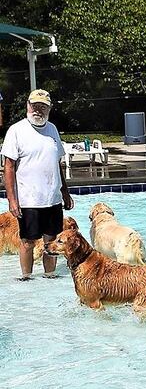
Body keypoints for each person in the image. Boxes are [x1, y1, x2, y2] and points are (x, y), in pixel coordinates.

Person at [1, 89, 74, 280]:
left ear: (49, 108)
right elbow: (8, 167)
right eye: (35, 106)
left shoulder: (53, 130)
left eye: (43, 106)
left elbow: (57, 163)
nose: (38, 110)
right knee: (27, 242)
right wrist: (12, 200)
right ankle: (27, 278)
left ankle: (50, 277)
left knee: (51, 241)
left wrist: (65, 192)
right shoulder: (16, 131)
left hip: (53, 198)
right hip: (28, 199)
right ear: (28, 105)